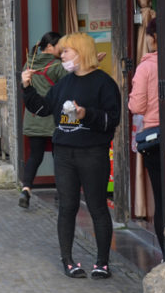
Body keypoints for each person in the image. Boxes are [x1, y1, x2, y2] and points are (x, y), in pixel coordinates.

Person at [22, 32, 121, 279]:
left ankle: (102, 262)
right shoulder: (64, 83)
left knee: (97, 206)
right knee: (67, 207)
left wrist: (86, 113)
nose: (61, 55)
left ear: (81, 52)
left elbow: (112, 119)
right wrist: (27, 88)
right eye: (62, 51)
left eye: (66, 51)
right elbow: (43, 108)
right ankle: (68, 260)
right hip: (64, 153)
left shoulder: (104, 83)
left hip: (93, 153)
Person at [129, 18, 165, 257]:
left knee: (162, 198)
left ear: (151, 37)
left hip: (155, 137)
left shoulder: (147, 66)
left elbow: (136, 105)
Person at [20, 32, 66, 208]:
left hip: (33, 118)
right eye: (59, 46)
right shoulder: (57, 67)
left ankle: (26, 189)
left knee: (35, 156)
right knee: (59, 156)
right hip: (53, 118)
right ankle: (61, 193)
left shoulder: (29, 63)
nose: (61, 50)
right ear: (49, 47)